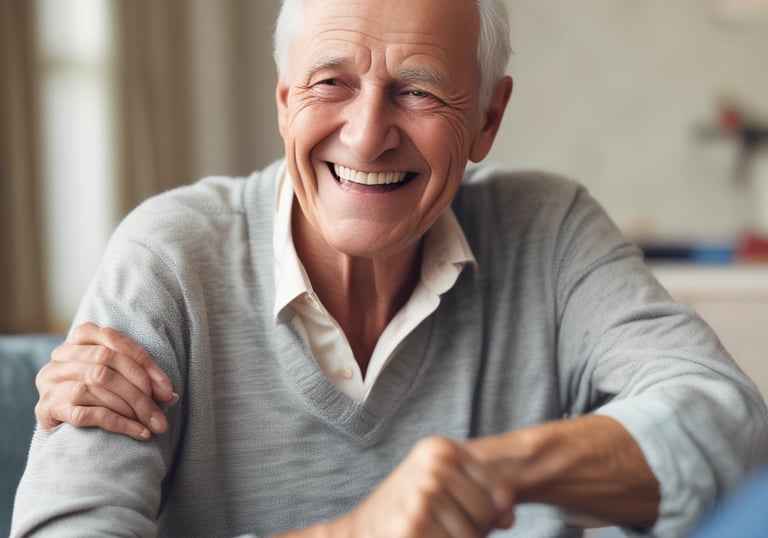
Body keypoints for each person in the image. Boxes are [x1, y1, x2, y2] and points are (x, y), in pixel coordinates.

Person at [12, 0, 768, 536]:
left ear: (488, 120)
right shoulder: (170, 255)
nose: (368, 136)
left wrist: (483, 474)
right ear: (284, 101)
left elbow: (728, 424)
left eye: (419, 89)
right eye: (330, 82)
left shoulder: (550, 231)